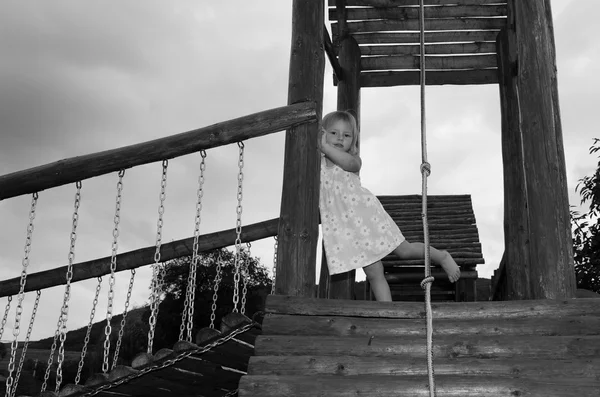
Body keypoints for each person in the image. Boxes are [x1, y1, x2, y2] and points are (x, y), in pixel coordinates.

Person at [318, 110, 461, 302]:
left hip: (368, 216)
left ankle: (441, 256)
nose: (339, 138)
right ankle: (387, 311)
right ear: (322, 133)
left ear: (353, 141)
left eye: (346, 135)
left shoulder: (351, 161)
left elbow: (348, 163)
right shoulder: (317, 166)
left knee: (405, 251)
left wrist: (325, 146)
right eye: (333, 133)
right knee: (374, 272)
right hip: (349, 228)